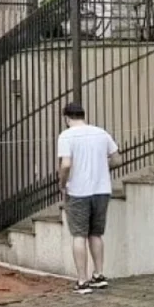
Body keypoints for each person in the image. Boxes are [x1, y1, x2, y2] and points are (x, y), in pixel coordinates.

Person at [57, 102, 122, 295]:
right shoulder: (101, 133)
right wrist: (101, 168)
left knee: (79, 235)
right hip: (102, 190)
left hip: (78, 191)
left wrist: (62, 182)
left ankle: (82, 281)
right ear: (83, 115)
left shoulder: (66, 135)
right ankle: (99, 275)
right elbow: (117, 159)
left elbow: (66, 164)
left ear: (67, 118)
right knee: (96, 233)